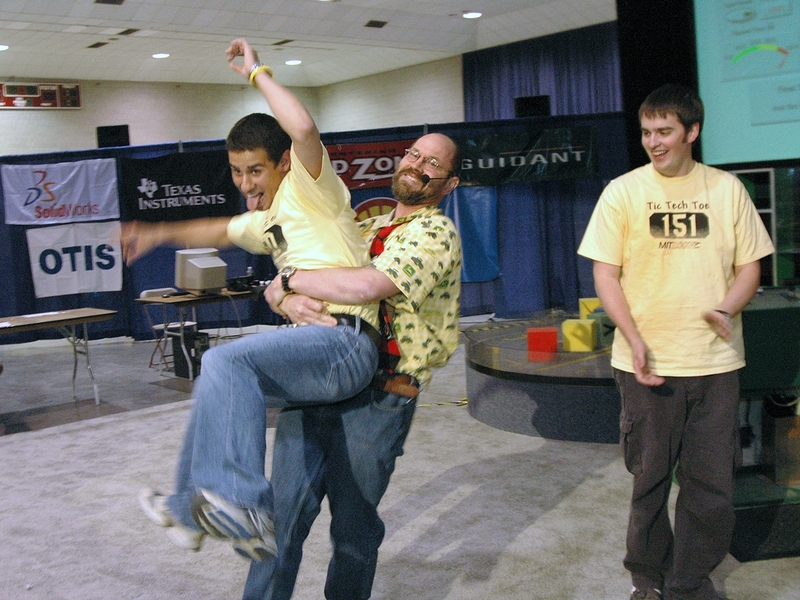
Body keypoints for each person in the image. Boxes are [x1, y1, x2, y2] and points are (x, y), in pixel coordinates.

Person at [123, 38, 383, 561]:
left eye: (256, 171)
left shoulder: (312, 190)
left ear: (282, 163)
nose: (246, 183)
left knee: (223, 359)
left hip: (347, 343)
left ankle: (244, 504)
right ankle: (186, 507)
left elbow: (304, 129)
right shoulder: (264, 222)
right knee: (217, 381)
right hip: (314, 348)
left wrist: (256, 71)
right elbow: (217, 227)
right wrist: (154, 233)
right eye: (237, 172)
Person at [241, 131, 463, 600]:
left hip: (379, 395)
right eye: (415, 155)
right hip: (316, 378)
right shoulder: (362, 227)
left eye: (433, 165)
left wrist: (291, 281)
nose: (418, 166)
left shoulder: (436, 232)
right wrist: (284, 296)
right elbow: (287, 286)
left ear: (449, 184)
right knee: (279, 522)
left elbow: (368, 284)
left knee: (354, 530)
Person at [577, 84, 774, 600]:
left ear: (693, 132)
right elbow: (606, 274)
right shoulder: (622, 191)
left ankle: (690, 580)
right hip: (646, 365)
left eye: (665, 132)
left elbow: (750, 266)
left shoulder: (728, 190)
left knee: (711, 489)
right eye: (646, 133)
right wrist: (633, 336)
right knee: (649, 483)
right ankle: (648, 579)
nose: (654, 143)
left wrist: (726, 308)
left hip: (714, 363)